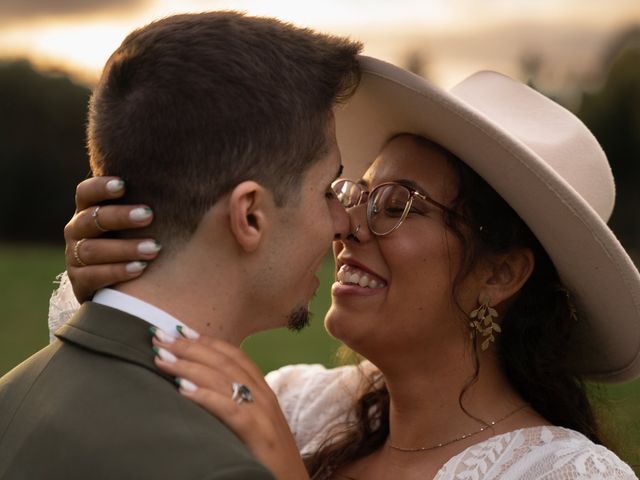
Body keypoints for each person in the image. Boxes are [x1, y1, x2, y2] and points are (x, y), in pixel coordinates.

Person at [50, 61, 640, 479]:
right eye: (353, 193)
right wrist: (110, 290)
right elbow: (101, 431)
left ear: (502, 273)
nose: (345, 226)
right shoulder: (295, 405)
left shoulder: (568, 474)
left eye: (397, 206)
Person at [0, 11, 362, 480]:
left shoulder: (12, 394)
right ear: (249, 215)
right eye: (327, 191)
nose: (341, 222)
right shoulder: (223, 467)